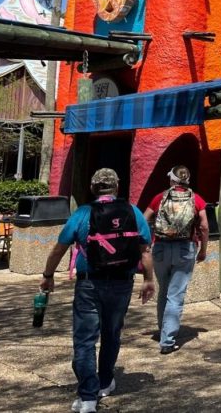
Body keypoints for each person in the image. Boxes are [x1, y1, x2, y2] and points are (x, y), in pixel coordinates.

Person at [40, 168, 155, 413]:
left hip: (89, 283)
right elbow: (145, 250)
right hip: (122, 282)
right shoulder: (133, 212)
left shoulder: (82, 214)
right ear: (117, 187)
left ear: (93, 188)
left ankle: (88, 397)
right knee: (112, 333)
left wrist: (48, 276)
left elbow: (59, 249)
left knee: (84, 340)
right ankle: (104, 381)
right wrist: (148, 279)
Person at [143, 165, 209, 355]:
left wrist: (146, 244)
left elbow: (144, 218)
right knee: (176, 294)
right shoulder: (196, 199)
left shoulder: (160, 197)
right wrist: (203, 250)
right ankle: (167, 340)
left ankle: (163, 331)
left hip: (161, 248)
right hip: (184, 248)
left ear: (172, 180)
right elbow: (204, 226)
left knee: (164, 290)